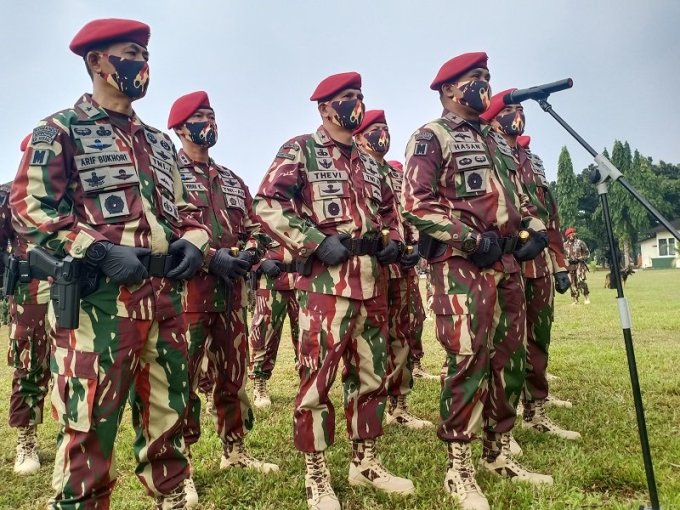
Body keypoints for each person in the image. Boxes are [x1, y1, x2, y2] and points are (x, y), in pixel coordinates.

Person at [11, 19, 209, 509]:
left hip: (162, 301)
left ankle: (173, 500)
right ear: (97, 61)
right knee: (88, 434)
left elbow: (185, 211)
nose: (141, 63)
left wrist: (195, 240)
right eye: (130, 52)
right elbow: (31, 210)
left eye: (144, 54)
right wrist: (95, 249)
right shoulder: (59, 130)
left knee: (169, 422)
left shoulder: (160, 143)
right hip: (99, 307)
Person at [254, 72, 414, 510]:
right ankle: (316, 474)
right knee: (317, 380)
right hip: (326, 283)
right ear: (325, 108)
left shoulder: (370, 159)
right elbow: (267, 203)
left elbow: (388, 207)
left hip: (372, 279)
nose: (356, 104)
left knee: (370, 374)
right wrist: (312, 240)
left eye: (359, 97)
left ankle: (365, 462)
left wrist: (394, 238)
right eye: (347, 98)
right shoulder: (300, 150)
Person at [401, 52, 553, 510]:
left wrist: (534, 229)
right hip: (462, 268)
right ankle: (459, 467)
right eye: (475, 79)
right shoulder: (431, 137)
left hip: (507, 265)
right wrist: (468, 238)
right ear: (449, 90)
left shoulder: (495, 141)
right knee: (467, 360)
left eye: (486, 78)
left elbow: (520, 197)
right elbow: (415, 203)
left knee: (508, 357)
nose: (483, 86)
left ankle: (498, 451)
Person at [167, 90, 279, 507]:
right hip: (188, 298)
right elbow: (166, 226)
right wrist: (212, 257)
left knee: (233, 379)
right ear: (179, 129)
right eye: (199, 118)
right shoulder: (168, 175)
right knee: (183, 385)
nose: (208, 124)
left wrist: (251, 251)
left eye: (211, 116)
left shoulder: (231, 179)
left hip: (232, 297)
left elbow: (254, 225)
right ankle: (183, 466)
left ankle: (234, 450)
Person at [482, 98, 581, 443]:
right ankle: (495, 423)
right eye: (508, 111)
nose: (517, 117)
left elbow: (549, 219)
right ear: (492, 121)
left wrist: (560, 264)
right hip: (505, 263)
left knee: (538, 340)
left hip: (537, 266)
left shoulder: (531, 163)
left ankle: (535, 411)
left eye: (520, 111)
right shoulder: (486, 156)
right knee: (505, 346)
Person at [353, 110, 433, 430]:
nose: (382, 135)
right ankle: (367, 410)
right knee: (371, 341)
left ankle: (399, 406)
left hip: (403, 268)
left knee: (405, 333)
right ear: (359, 136)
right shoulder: (354, 168)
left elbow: (409, 215)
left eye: (385, 128)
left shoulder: (395, 175)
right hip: (370, 269)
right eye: (375, 129)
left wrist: (414, 248)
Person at [5, 135, 52, 476]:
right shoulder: (8, 196)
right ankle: (26, 440)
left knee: (77, 362)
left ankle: (73, 433)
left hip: (75, 285)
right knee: (30, 362)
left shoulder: (72, 193)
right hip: (29, 291)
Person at [386, 160, 437, 380]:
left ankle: (415, 363)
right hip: (383, 270)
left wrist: (415, 246)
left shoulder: (406, 201)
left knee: (415, 317)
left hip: (406, 271)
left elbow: (412, 226)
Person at [248, 240, 300, 408]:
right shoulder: (261, 215)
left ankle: (308, 382)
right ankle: (259, 382)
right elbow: (246, 243)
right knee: (265, 332)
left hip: (303, 279)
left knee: (307, 333)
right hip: (271, 281)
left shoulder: (304, 213)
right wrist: (261, 263)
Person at [564, 227, 591, 304]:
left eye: (573, 234)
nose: (572, 236)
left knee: (581, 281)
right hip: (570, 266)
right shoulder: (564, 245)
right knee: (572, 283)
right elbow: (562, 256)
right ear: (567, 236)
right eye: (570, 235)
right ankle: (575, 300)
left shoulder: (580, 243)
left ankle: (586, 297)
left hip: (580, 265)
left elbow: (587, 253)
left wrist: (580, 258)